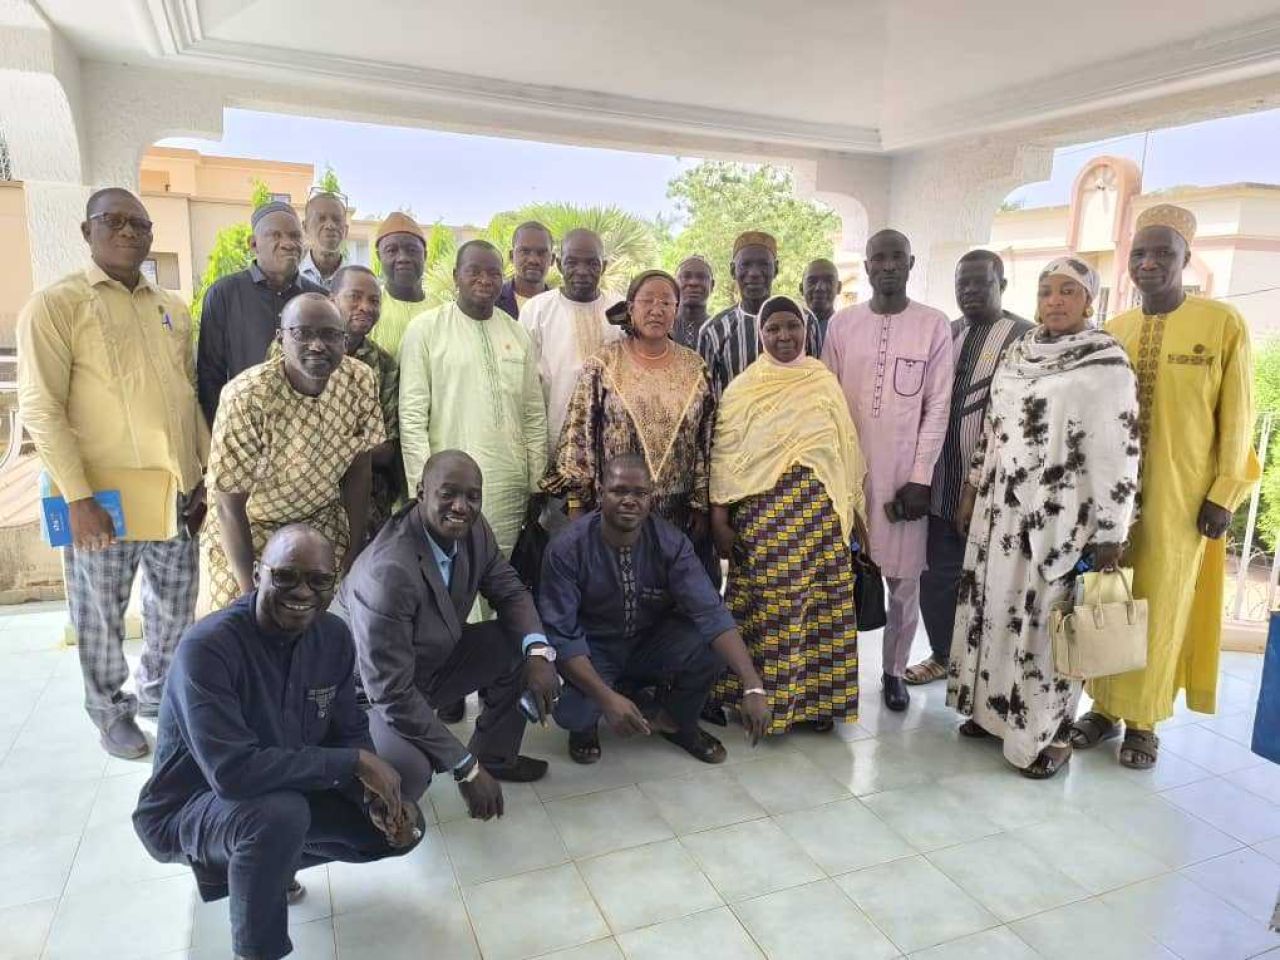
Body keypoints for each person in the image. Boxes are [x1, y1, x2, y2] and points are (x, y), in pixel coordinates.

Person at [133, 525, 422, 960]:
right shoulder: (208, 648)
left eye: (319, 580)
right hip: (190, 805)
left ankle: (271, 863)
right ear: (257, 573)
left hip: (278, 788)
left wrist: (372, 801)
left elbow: (347, 731)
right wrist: (352, 763)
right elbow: (232, 774)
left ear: (333, 583)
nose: (302, 591)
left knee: (402, 822)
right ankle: (256, 950)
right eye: (285, 576)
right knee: (277, 816)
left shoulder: (334, 638)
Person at [16, 188, 207, 759]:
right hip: (101, 498)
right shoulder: (56, 306)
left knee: (173, 606)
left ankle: (157, 694)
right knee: (100, 613)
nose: (127, 232)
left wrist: (200, 477)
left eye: (139, 224)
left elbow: (186, 395)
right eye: (113, 221)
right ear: (87, 231)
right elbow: (40, 408)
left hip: (172, 492)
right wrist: (77, 497)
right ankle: (109, 711)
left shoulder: (171, 306)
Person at [1074, 204, 1260, 770]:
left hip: (1182, 500)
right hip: (1114, 498)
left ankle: (1144, 721)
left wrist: (1224, 492)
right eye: (1139, 253)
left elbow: (1239, 415)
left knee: (1158, 606)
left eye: (1163, 253)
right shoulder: (1116, 330)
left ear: (1185, 259)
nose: (1148, 263)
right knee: (1108, 597)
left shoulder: (1220, 323)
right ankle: (1102, 708)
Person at [948, 257, 1140, 778]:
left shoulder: (1105, 361)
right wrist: (970, 488)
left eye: (1068, 291)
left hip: (1059, 515)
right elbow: (993, 427)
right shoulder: (1019, 351)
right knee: (996, 611)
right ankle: (993, 715)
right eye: (1047, 290)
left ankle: (1050, 735)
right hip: (1000, 509)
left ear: (1089, 301)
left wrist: (1111, 530)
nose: (1055, 300)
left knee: (1046, 624)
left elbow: (1118, 448)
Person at [339, 451, 560, 805]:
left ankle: (495, 756)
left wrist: (538, 652)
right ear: (420, 493)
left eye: (472, 496)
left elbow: (511, 591)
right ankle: (377, 813)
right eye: (448, 494)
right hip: (368, 695)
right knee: (409, 769)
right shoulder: (389, 572)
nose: (461, 507)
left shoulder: (473, 530)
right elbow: (391, 693)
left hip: (429, 663)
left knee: (518, 641)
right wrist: (464, 767)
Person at [539, 455, 772, 764]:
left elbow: (711, 612)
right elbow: (562, 636)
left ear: (651, 497)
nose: (629, 501)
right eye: (619, 491)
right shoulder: (567, 548)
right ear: (600, 491)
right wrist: (606, 699)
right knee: (572, 713)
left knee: (710, 645)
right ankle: (591, 722)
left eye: (639, 493)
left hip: (650, 645)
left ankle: (680, 723)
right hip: (594, 650)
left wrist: (752, 685)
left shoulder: (670, 542)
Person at [707, 295, 867, 734]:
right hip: (763, 523)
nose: (783, 336)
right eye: (772, 328)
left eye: (791, 327)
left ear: (806, 331)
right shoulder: (745, 387)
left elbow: (844, 449)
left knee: (819, 610)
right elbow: (725, 455)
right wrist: (720, 517)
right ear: (760, 334)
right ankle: (759, 698)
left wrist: (853, 516)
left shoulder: (822, 380)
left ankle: (815, 706)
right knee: (767, 610)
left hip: (820, 520)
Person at [821, 229, 952, 712]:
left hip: (903, 480)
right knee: (840, 578)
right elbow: (826, 400)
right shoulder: (842, 325)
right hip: (848, 479)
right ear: (868, 265)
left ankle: (894, 672)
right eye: (879, 257)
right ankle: (836, 674)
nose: (888, 265)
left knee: (903, 583)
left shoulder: (933, 325)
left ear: (911, 262)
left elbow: (937, 406)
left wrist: (921, 477)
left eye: (898, 256)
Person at [202, 294, 383, 611]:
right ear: (281, 337)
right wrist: (250, 594)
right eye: (302, 333)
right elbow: (228, 505)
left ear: (343, 340)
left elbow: (359, 468)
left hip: (321, 521)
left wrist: (354, 550)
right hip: (250, 529)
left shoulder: (360, 380)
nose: (317, 345)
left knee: (332, 624)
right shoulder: (246, 397)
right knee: (237, 633)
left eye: (329, 334)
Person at [905, 251, 1033, 687]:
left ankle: (988, 672)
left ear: (1002, 284)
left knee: (993, 583)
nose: (971, 292)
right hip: (941, 483)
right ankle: (942, 654)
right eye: (963, 284)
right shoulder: (948, 332)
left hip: (997, 490)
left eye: (981, 283)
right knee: (936, 576)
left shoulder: (1025, 339)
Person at [543, 269, 715, 559]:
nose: (656, 309)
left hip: (678, 516)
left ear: (676, 310)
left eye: (666, 303)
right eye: (647, 300)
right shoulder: (604, 363)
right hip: (612, 513)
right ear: (631, 308)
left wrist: (700, 503)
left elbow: (705, 439)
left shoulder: (694, 367)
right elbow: (578, 435)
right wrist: (576, 504)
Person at [399, 240, 547, 560]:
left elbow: (533, 413)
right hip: (447, 488)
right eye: (474, 271)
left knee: (495, 573)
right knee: (448, 576)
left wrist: (536, 482)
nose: (485, 280)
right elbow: (412, 416)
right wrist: (420, 488)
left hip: (508, 484)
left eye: (494, 273)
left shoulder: (517, 333)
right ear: (456, 276)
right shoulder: (425, 330)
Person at [197, 201, 326, 425]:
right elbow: (210, 375)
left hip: (306, 433)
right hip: (245, 430)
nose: (288, 243)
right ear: (254, 244)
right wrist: (221, 436)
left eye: (295, 236)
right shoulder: (224, 294)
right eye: (275, 235)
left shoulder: (319, 298)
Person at [520, 228, 624, 450]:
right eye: (572, 262)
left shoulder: (620, 309)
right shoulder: (537, 311)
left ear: (603, 266)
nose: (582, 271)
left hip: (611, 444)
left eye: (592, 264)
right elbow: (525, 387)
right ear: (558, 264)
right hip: (553, 442)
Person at [698, 231, 820, 400]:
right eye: (745, 265)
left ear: (776, 269)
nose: (754, 273)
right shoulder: (714, 330)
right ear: (733, 270)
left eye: (763, 264)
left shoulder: (805, 322)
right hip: (735, 426)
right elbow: (706, 399)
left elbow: (817, 383)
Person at [332, 265, 401, 538]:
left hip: (367, 504)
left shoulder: (384, 365)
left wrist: (326, 450)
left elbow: (386, 448)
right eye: (355, 297)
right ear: (331, 298)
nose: (365, 307)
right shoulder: (293, 349)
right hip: (300, 496)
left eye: (374, 301)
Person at [368, 213, 429, 359]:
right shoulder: (368, 310)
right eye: (391, 250)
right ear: (379, 257)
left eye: (412, 250)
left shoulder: (443, 311)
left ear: (425, 255)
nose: (402, 258)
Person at [497, 221, 554, 318]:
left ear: (552, 259)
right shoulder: (492, 301)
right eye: (525, 251)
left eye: (541, 253)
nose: (533, 260)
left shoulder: (559, 306)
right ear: (511, 256)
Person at [299, 190, 349, 289]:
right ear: (305, 227)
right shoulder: (290, 277)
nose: (330, 225)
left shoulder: (358, 280)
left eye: (336, 219)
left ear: (346, 230)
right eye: (321, 218)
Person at [672, 255, 716, 349]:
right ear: (674, 284)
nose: (693, 283)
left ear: (712, 285)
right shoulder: (662, 327)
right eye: (686, 276)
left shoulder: (721, 329)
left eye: (701, 277)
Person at [800, 257, 842, 351]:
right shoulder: (788, 331)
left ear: (839, 287)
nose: (820, 288)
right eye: (812, 281)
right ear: (801, 288)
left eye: (828, 281)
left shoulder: (846, 330)